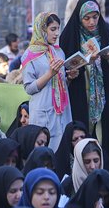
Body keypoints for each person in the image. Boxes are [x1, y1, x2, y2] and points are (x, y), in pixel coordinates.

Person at [60, 0, 109, 145]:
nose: (92, 22)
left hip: (102, 95)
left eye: (95, 17)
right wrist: (83, 63)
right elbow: (63, 68)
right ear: (79, 18)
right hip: (78, 93)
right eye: (87, 18)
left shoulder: (105, 35)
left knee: (102, 135)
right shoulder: (69, 37)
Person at [22, 12, 75, 151]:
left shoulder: (59, 52)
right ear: (41, 29)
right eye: (52, 29)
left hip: (62, 110)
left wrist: (69, 77)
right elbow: (29, 88)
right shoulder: (29, 55)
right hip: (43, 109)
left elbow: (61, 84)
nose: (57, 33)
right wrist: (49, 74)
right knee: (45, 150)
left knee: (63, 148)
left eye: (58, 29)